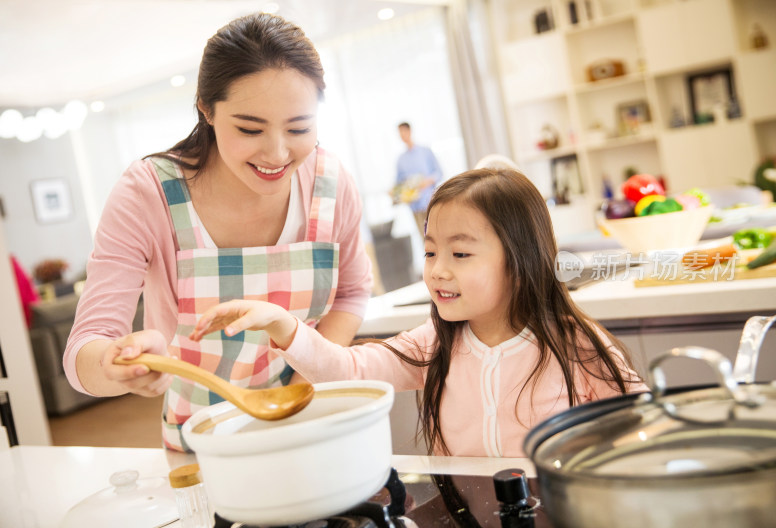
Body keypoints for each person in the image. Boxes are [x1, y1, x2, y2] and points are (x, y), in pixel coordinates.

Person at [63, 13, 373, 452]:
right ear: (206, 108)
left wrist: (309, 373)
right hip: (204, 441)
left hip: (312, 419)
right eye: (250, 128)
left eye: (300, 128)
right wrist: (116, 364)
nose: (278, 153)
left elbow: (353, 293)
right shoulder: (148, 193)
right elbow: (84, 350)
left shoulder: (331, 183)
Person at [189, 167, 648, 457]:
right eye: (431, 253)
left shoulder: (574, 343)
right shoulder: (433, 344)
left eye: (461, 255)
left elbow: (642, 423)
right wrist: (283, 324)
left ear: (520, 259)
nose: (438, 272)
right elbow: (345, 369)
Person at [394, 122, 443, 236]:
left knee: (438, 235)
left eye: (403, 131)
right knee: (425, 238)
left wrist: (428, 181)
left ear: (410, 131)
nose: (402, 135)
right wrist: (395, 192)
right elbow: (398, 183)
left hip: (430, 202)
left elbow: (439, 173)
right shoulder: (401, 159)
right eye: (399, 133)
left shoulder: (425, 152)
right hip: (414, 205)